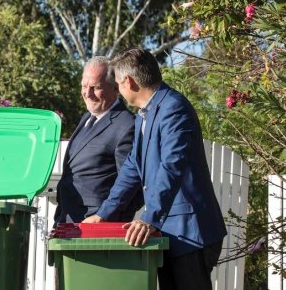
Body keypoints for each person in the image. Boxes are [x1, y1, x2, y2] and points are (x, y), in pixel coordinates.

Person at [83, 48, 227, 290]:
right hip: (169, 232)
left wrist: (149, 219)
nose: (118, 89)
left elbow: (172, 167)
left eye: (117, 84)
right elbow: (132, 167)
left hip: (190, 232)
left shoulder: (174, 108)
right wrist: (104, 213)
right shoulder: (143, 115)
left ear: (128, 81)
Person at [54, 56, 142, 224]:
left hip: (96, 229)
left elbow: (133, 186)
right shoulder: (86, 119)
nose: (87, 93)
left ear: (115, 88)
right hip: (67, 221)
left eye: (95, 87)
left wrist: (106, 217)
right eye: (84, 86)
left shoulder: (126, 125)